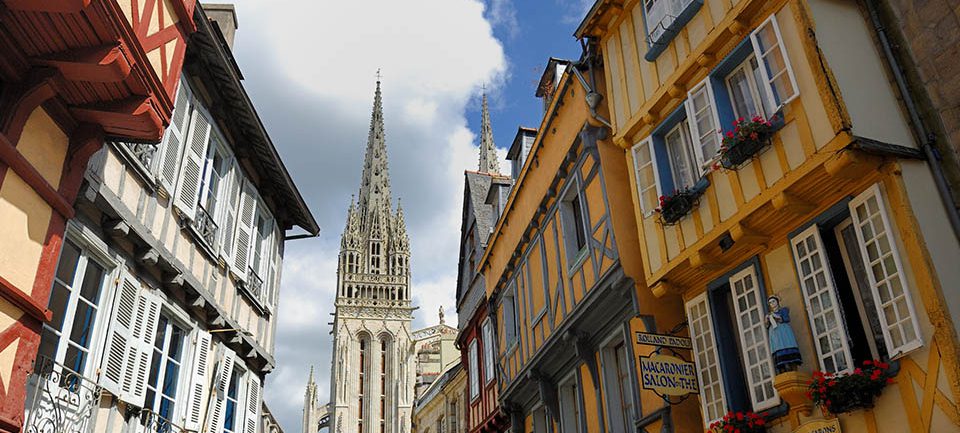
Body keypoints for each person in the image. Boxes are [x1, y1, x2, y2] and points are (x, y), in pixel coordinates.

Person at [766, 296, 802, 373]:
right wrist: (767, 319)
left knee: (787, 346)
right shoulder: (769, 314)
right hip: (775, 334)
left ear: (777, 302)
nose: (772, 303)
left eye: (773, 301)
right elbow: (767, 325)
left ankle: (792, 368)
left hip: (784, 331)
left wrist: (777, 317)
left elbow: (786, 319)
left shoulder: (783, 310)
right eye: (770, 303)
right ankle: (784, 368)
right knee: (779, 350)